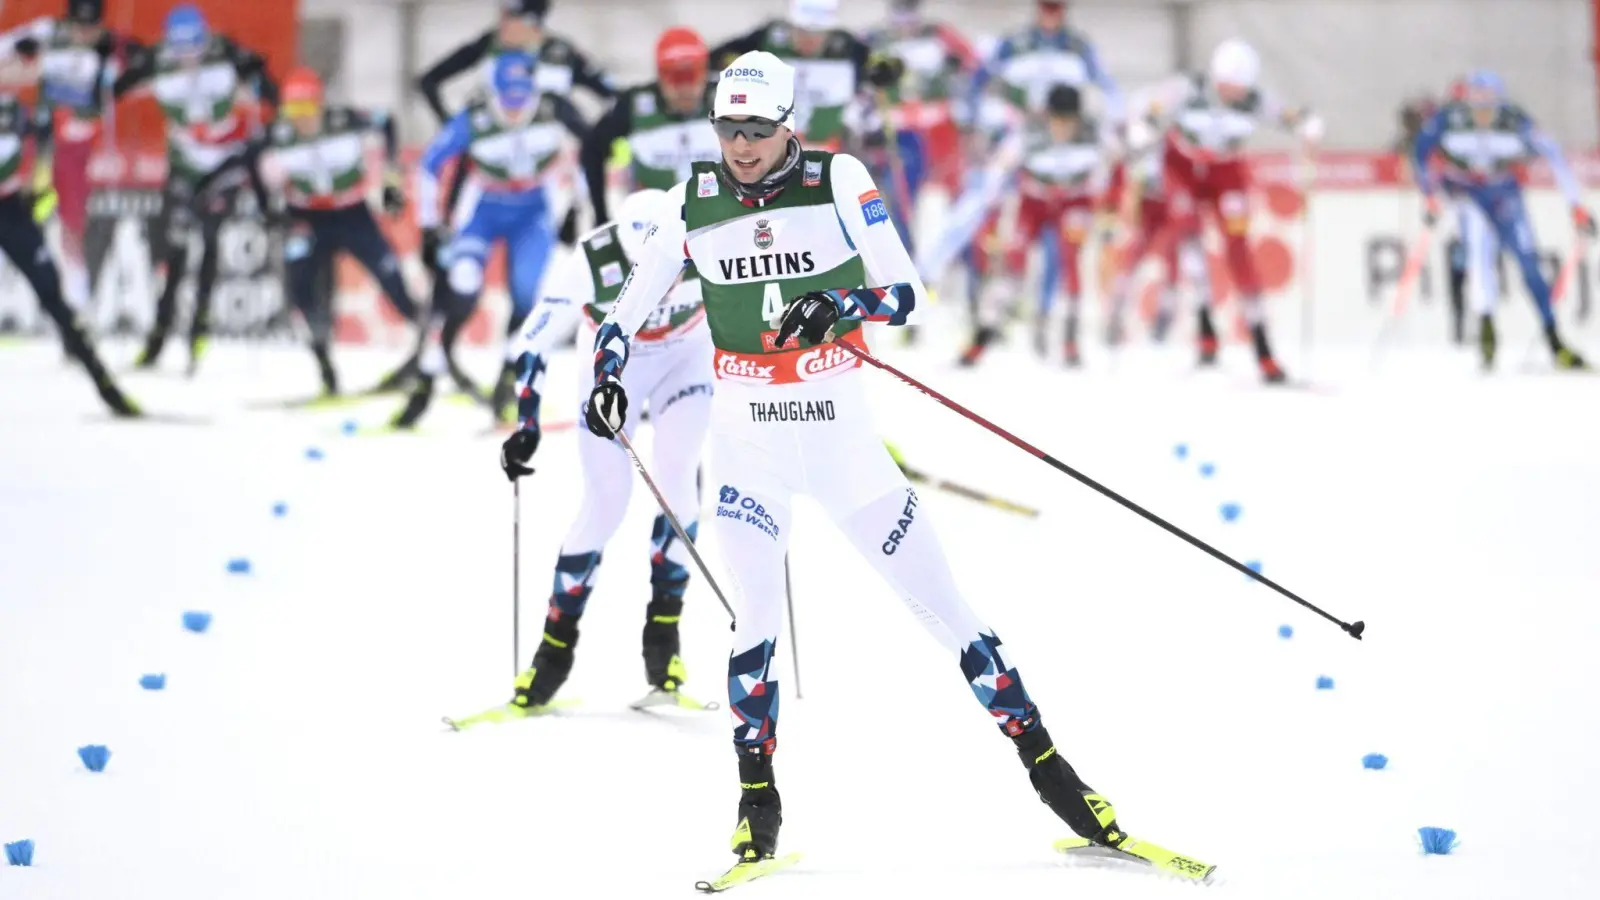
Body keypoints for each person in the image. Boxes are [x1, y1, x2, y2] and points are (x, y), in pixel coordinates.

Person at [583, 50, 1203, 887]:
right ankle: (755, 812)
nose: (740, 144)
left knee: (951, 613)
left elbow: (907, 291)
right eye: (728, 128)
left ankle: (1063, 786)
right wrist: (607, 382)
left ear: (789, 123)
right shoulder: (685, 201)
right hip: (748, 445)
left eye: (757, 129)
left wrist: (843, 305)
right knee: (753, 621)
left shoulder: (838, 181)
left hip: (840, 438)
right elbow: (620, 318)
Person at [496, 187, 712, 711]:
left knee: (677, 474)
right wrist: (526, 423)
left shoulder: (706, 241)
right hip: (614, 368)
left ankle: (663, 638)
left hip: (685, 358)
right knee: (607, 498)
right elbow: (532, 340)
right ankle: (554, 651)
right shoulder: (592, 258)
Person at [400, 50, 588, 427]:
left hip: (533, 213)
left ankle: (506, 382)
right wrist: (428, 225)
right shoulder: (476, 116)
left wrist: (574, 209)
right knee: (463, 282)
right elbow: (429, 166)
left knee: (525, 293)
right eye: (507, 98)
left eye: (522, 97)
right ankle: (429, 374)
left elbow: (591, 153)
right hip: (483, 210)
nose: (515, 109)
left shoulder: (555, 110)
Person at [1125, 40, 1322, 383]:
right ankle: (1206, 333)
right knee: (1189, 239)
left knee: (1238, 249)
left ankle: (1263, 350)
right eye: (1227, 85)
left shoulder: (1253, 99)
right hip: (1183, 167)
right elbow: (1153, 105)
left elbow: (1286, 115)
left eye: (1239, 87)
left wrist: (1306, 124)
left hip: (1225, 171)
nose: (1233, 93)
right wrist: (1144, 126)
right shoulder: (1190, 88)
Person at [113, 3, 277, 376]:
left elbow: (271, 95)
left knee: (209, 246)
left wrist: (256, 73)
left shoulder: (224, 52)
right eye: (181, 49)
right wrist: (127, 70)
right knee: (175, 251)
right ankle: (157, 340)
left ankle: (196, 336)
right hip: (184, 165)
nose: (188, 58)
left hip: (223, 164)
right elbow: (116, 90)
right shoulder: (159, 58)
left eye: (195, 48)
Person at [247, 67, 419, 399]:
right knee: (301, 288)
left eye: (307, 110)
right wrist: (268, 208)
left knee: (392, 278)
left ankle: (430, 357)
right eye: (293, 111)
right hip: (306, 217)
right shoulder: (278, 134)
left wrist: (391, 175)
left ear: (320, 105)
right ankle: (326, 370)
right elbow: (251, 157)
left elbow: (387, 122)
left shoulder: (345, 120)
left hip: (352, 213)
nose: (301, 120)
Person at [921, 83, 1113, 366]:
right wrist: (992, 209)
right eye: (1057, 120)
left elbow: (1114, 167)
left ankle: (1070, 342)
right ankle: (981, 338)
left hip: (1074, 201)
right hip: (1034, 202)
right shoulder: (1029, 133)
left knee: (1071, 264)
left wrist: (1107, 207)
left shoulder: (1094, 134)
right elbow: (999, 169)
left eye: (1069, 121)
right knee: (1012, 267)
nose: (1063, 128)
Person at [1411, 70, 1587, 370]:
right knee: (1480, 259)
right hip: (1469, 196)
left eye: (1489, 102)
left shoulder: (1515, 120)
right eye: (1476, 101)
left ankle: (1554, 339)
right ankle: (1488, 334)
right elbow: (1420, 152)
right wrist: (1430, 194)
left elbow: (1553, 154)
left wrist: (1576, 206)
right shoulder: (1450, 119)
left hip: (1505, 196)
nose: (1482, 110)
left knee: (1529, 264)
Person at [0, 0, 144, 326]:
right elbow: (8, 51)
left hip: (75, 149)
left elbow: (141, 70)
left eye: (90, 27)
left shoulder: (111, 46)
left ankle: (77, 311)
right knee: (21, 215)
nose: (82, 34)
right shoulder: (49, 32)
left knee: (70, 229)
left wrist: (130, 67)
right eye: (77, 25)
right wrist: (21, 52)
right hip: (40, 141)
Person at [0, 90, 136, 416]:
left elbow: (41, 146)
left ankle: (102, 381)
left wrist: (38, 193)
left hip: (10, 210)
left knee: (53, 294)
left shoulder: (11, 106)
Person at [579, 27, 717, 226]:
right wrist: (600, 215)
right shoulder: (635, 105)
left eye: (692, 76)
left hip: (715, 222)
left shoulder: (725, 98)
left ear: (705, 72)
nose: (685, 89)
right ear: (660, 76)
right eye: (676, 79)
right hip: (653, 226)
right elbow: (591, 149)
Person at [710, 0, 870, 152]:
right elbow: (715, 59)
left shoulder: (849, 48)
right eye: (802, 31)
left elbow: (881, 70)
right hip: (771, 149)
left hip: (827, 149)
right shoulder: (767, 39)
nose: (809, 40)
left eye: (818, 33)